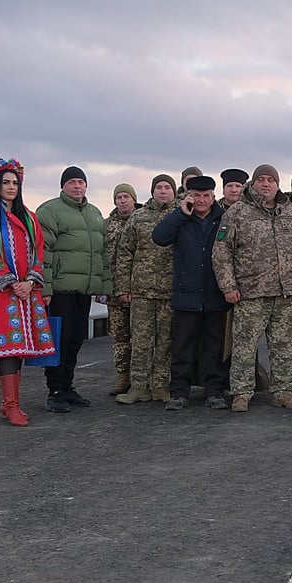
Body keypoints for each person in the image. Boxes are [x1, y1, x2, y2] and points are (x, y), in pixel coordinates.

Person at [212, 164, 292, 412]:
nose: (266, 184)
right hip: (250, 293)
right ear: (253, 183)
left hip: (285, 292)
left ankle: (284, 391)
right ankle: (242, 393)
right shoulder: (237, 212)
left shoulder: (290, 212)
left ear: (278, 185)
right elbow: (221, 252)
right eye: (261, 180)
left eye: (271, 180)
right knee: (244, 346)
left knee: (284, 345)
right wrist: (228, 286)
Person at [0, 159, 55, 426]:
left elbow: (39, 250)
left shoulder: (29, 218)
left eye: (15, 183)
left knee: (20, 347)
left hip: (26, 291)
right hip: (0, 292)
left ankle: (10, 404)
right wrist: (11, 282)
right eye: (6, 182)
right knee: (8, 347)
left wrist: (30, 281)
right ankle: (11, 405)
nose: (11, 187)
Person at [151, 175, 231, 410]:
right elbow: (159, 237)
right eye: (196, 195)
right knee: (182, 346)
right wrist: (180, 213)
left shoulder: (223, 218)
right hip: (186, 295)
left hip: (216, 295)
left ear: (213, 197)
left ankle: (214, 392)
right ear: (188, 196)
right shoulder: (181, 218)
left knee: (215, 348)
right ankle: (179, 393)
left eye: (206, 196)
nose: (201, 200)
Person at [37, 166, 113, 413]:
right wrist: (44, 287)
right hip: (60, 290)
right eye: (72, 182)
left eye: (81, 182)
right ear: (63, 186)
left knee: (75, 340)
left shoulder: (94, 214)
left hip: (84, 290)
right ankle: (55, 391)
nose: (77, 186)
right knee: (59, 340)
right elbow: (42, 252)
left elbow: (102, 254)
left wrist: (104, 285)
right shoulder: (49, 211)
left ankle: (68, 386)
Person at [114, 175, 177, 404]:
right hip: (141, 291)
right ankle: (138, 386)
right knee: (140, 341)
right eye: (158, 187)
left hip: (170, 292)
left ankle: (161, 386)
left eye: (167, 187)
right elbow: (125, 253)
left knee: (166, 341)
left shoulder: (180, 216)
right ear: (152, 191)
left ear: (173, 190)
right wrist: (122, 287)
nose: (163, 191)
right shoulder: (138, 217)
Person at [105, 183, 140, 396]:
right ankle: (122, 376)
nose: (123, 201)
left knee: (140, 338)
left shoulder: (142, 221)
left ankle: (140, 378)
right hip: (113, 291)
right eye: (119, 197)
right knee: (119, 338)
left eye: (126, 196)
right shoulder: (106, 225)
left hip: (138, 290)